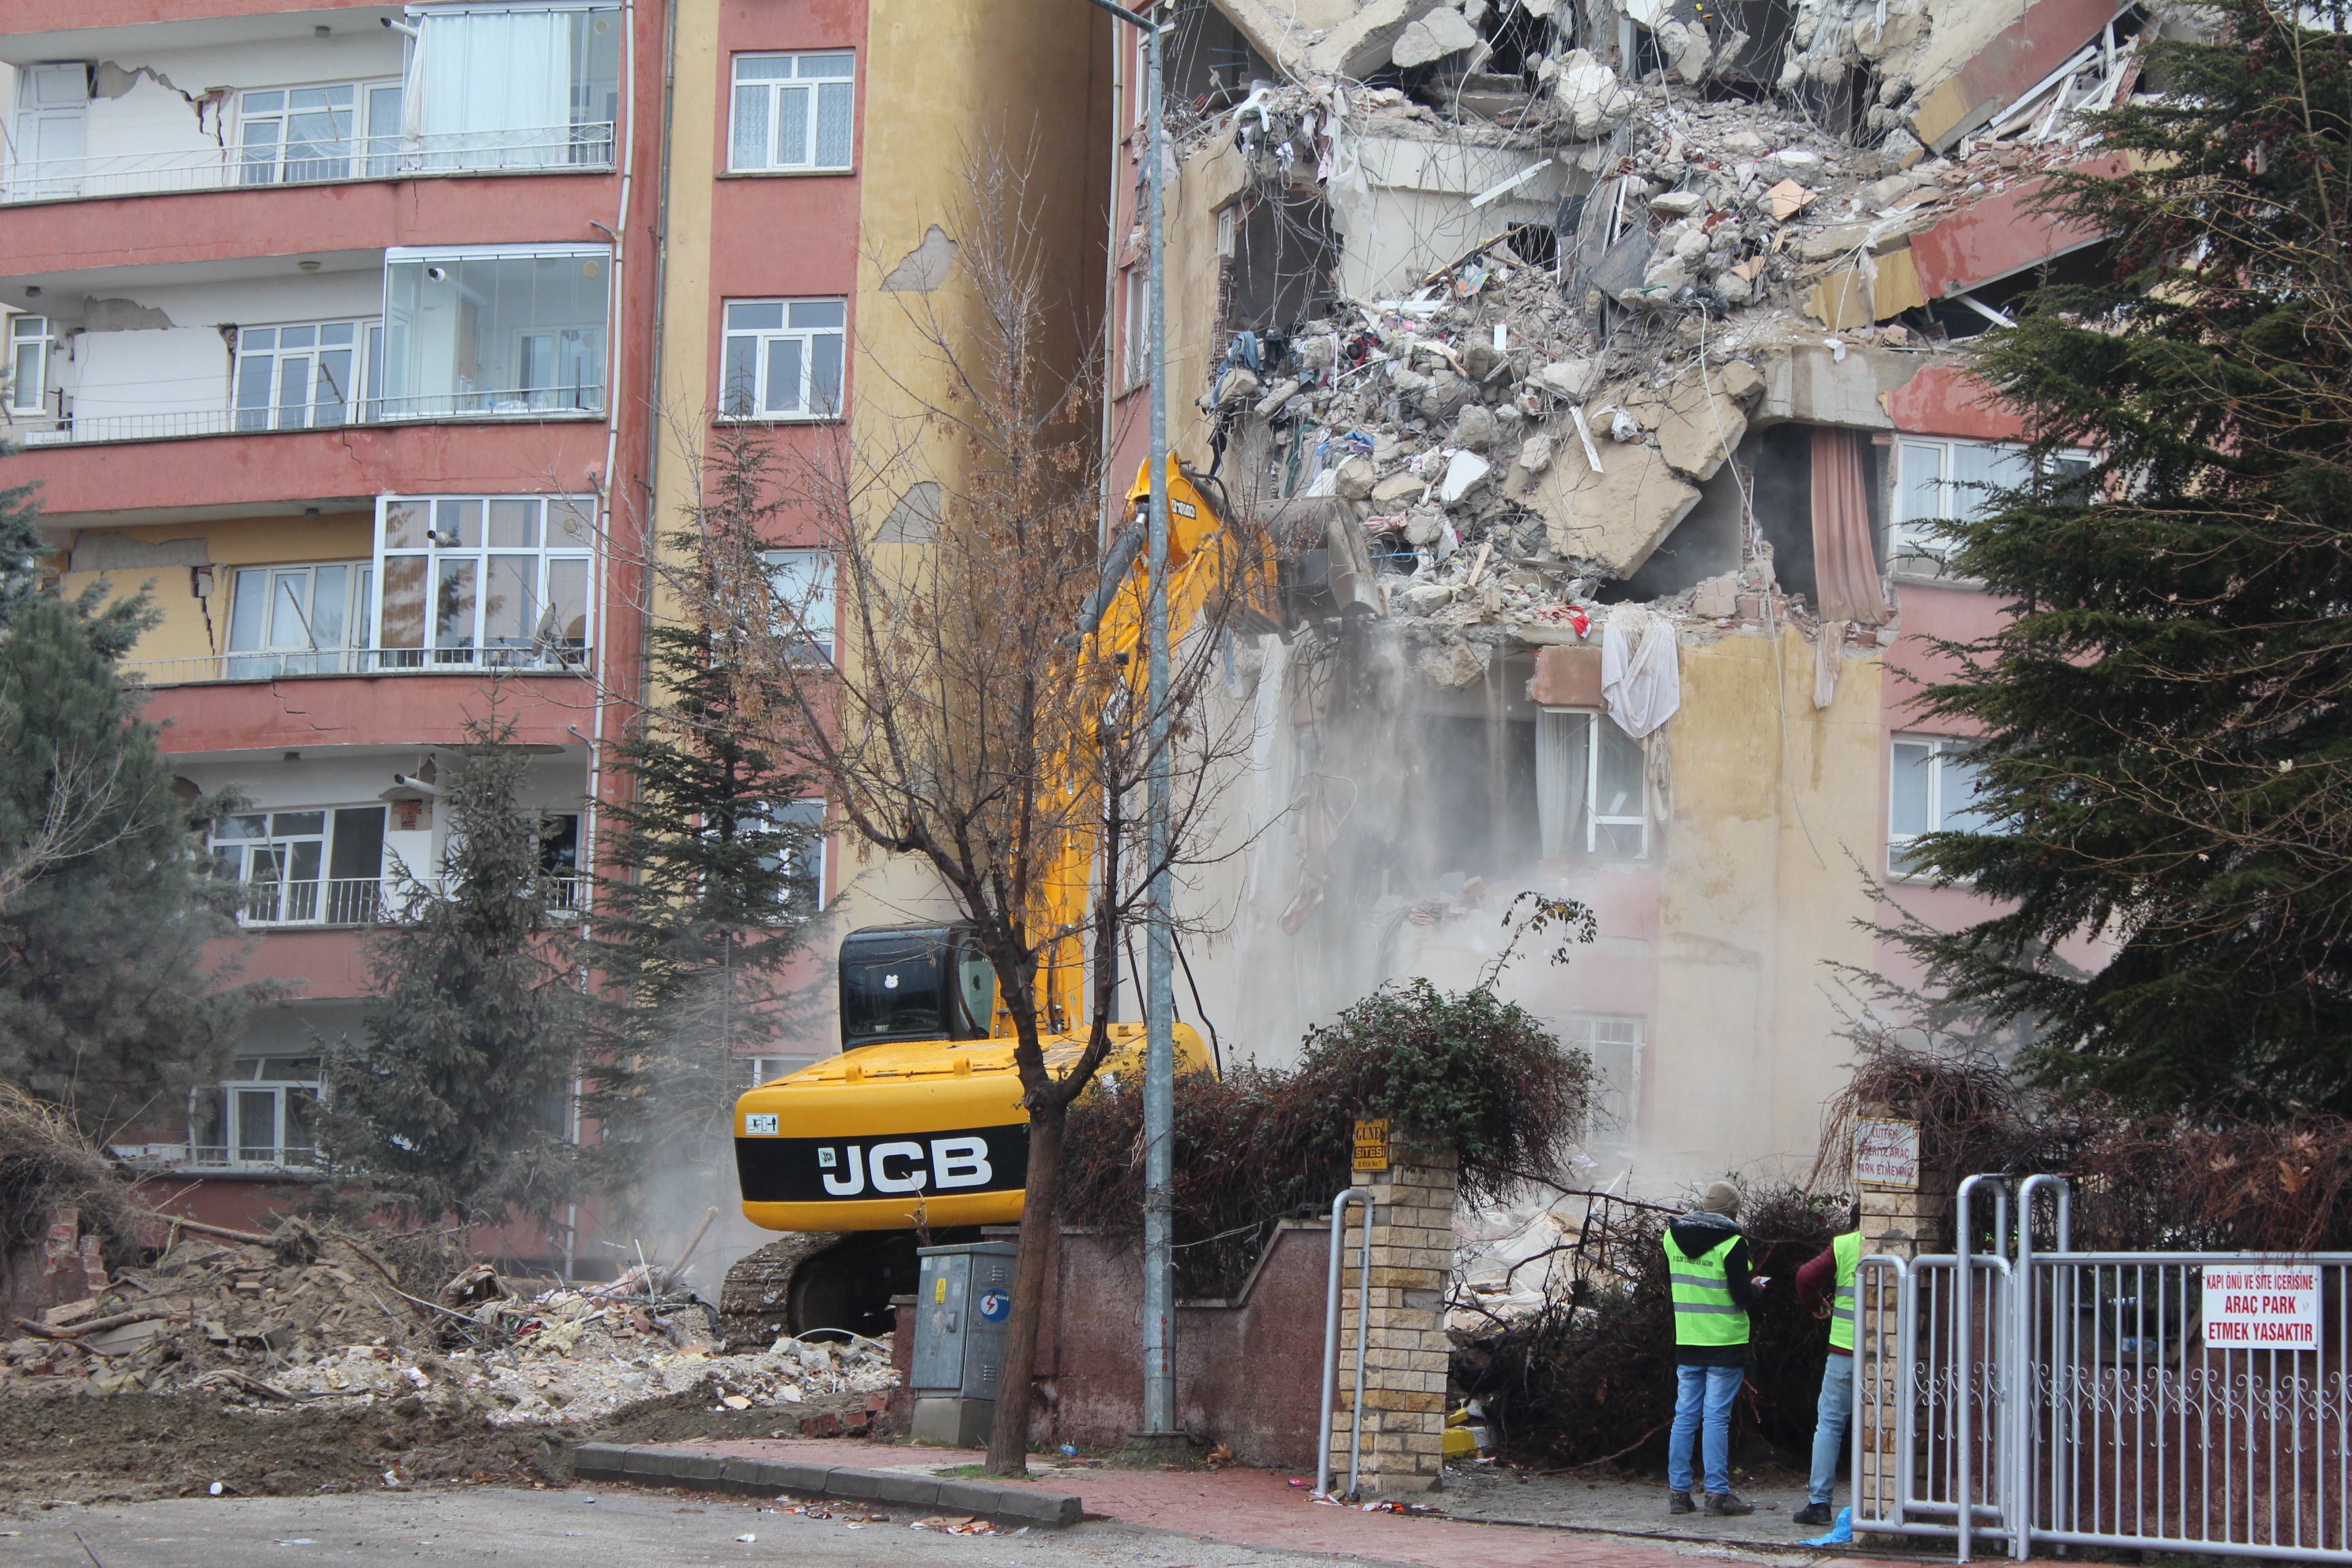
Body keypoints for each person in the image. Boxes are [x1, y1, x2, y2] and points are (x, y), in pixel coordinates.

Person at [1663, 1180, 1767, 1517]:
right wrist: (1755, 1289)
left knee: (1684, 1416)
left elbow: (1673, 1281)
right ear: (1734, 1211)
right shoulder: (1734, 1242)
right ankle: (1717, 1495)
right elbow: (1740, 1295)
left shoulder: (1672, 1236)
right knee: (1716, 1419)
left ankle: (1679, 1493)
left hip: (1688, 1339)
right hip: (1725, 1342)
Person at [1791, 1215, 1863, 1528]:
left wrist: (1817, 1305)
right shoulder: (1897, 1243)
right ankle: (1884, 1503)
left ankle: (1819, 1504)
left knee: (1831, 1425)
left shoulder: (1846, 1245)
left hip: (1845, 1351)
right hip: (1889, 1354)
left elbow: (1806, 1277)